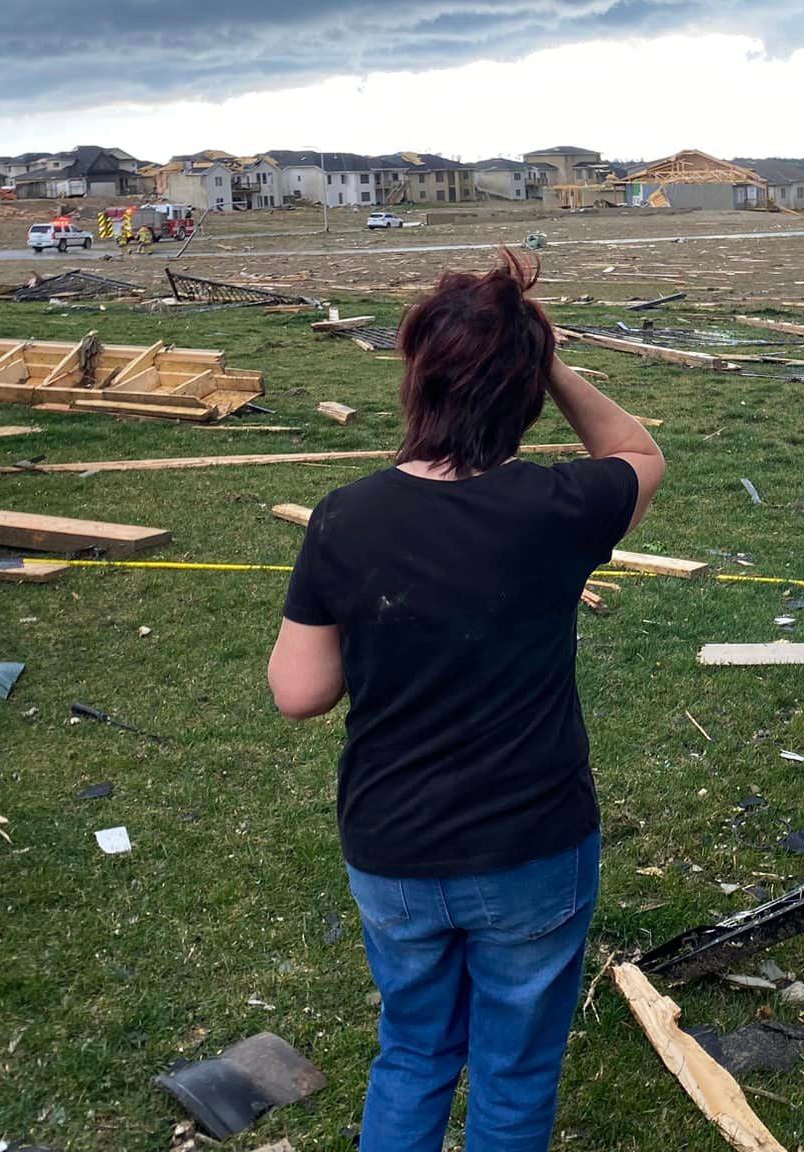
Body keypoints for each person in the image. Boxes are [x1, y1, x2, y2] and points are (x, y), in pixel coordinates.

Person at [266, 248, 663, 1152]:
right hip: (533, 845)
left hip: (394, 846)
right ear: (524, 391)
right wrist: (548, 356)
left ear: (417, 379)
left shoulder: (345, 516)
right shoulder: (562, 505)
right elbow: (637, 450)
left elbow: (299, 693)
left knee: (411, 1053)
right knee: (516, 1069)